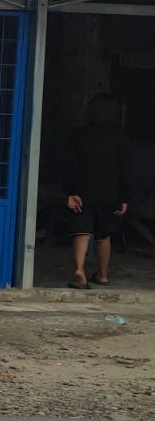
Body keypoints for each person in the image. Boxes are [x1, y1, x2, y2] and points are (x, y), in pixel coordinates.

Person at [63, 93, 133, 289]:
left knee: (81, 230)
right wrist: (125, 197)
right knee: (104, 235)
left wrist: (70, 191)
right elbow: (126, 168)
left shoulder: (78, 135)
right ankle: (102, 275)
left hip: (82, 190)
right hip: (110, 192)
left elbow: (69, 165)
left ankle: (79, 270)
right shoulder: (121, 137)